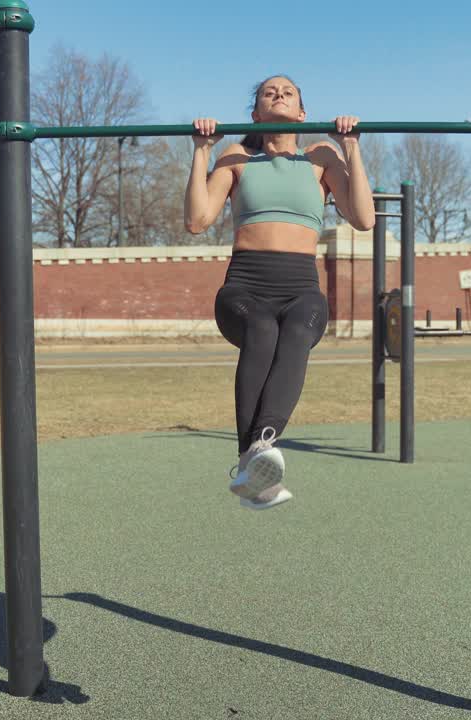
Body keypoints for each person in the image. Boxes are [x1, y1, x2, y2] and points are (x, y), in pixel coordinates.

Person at [184, 75, 375, 510]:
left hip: (300, 287)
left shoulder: (321, 157)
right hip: (245, 287)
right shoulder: (235, 156)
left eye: (288, 92)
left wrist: (352, 147)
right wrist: (200, 152)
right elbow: (197, 220)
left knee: (293, 331)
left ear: (302, 113)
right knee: (263, 330)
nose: (279, 95)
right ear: (255, 113)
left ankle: (258, 454)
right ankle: (254, 458)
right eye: (269, 92)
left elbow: (364, 219)